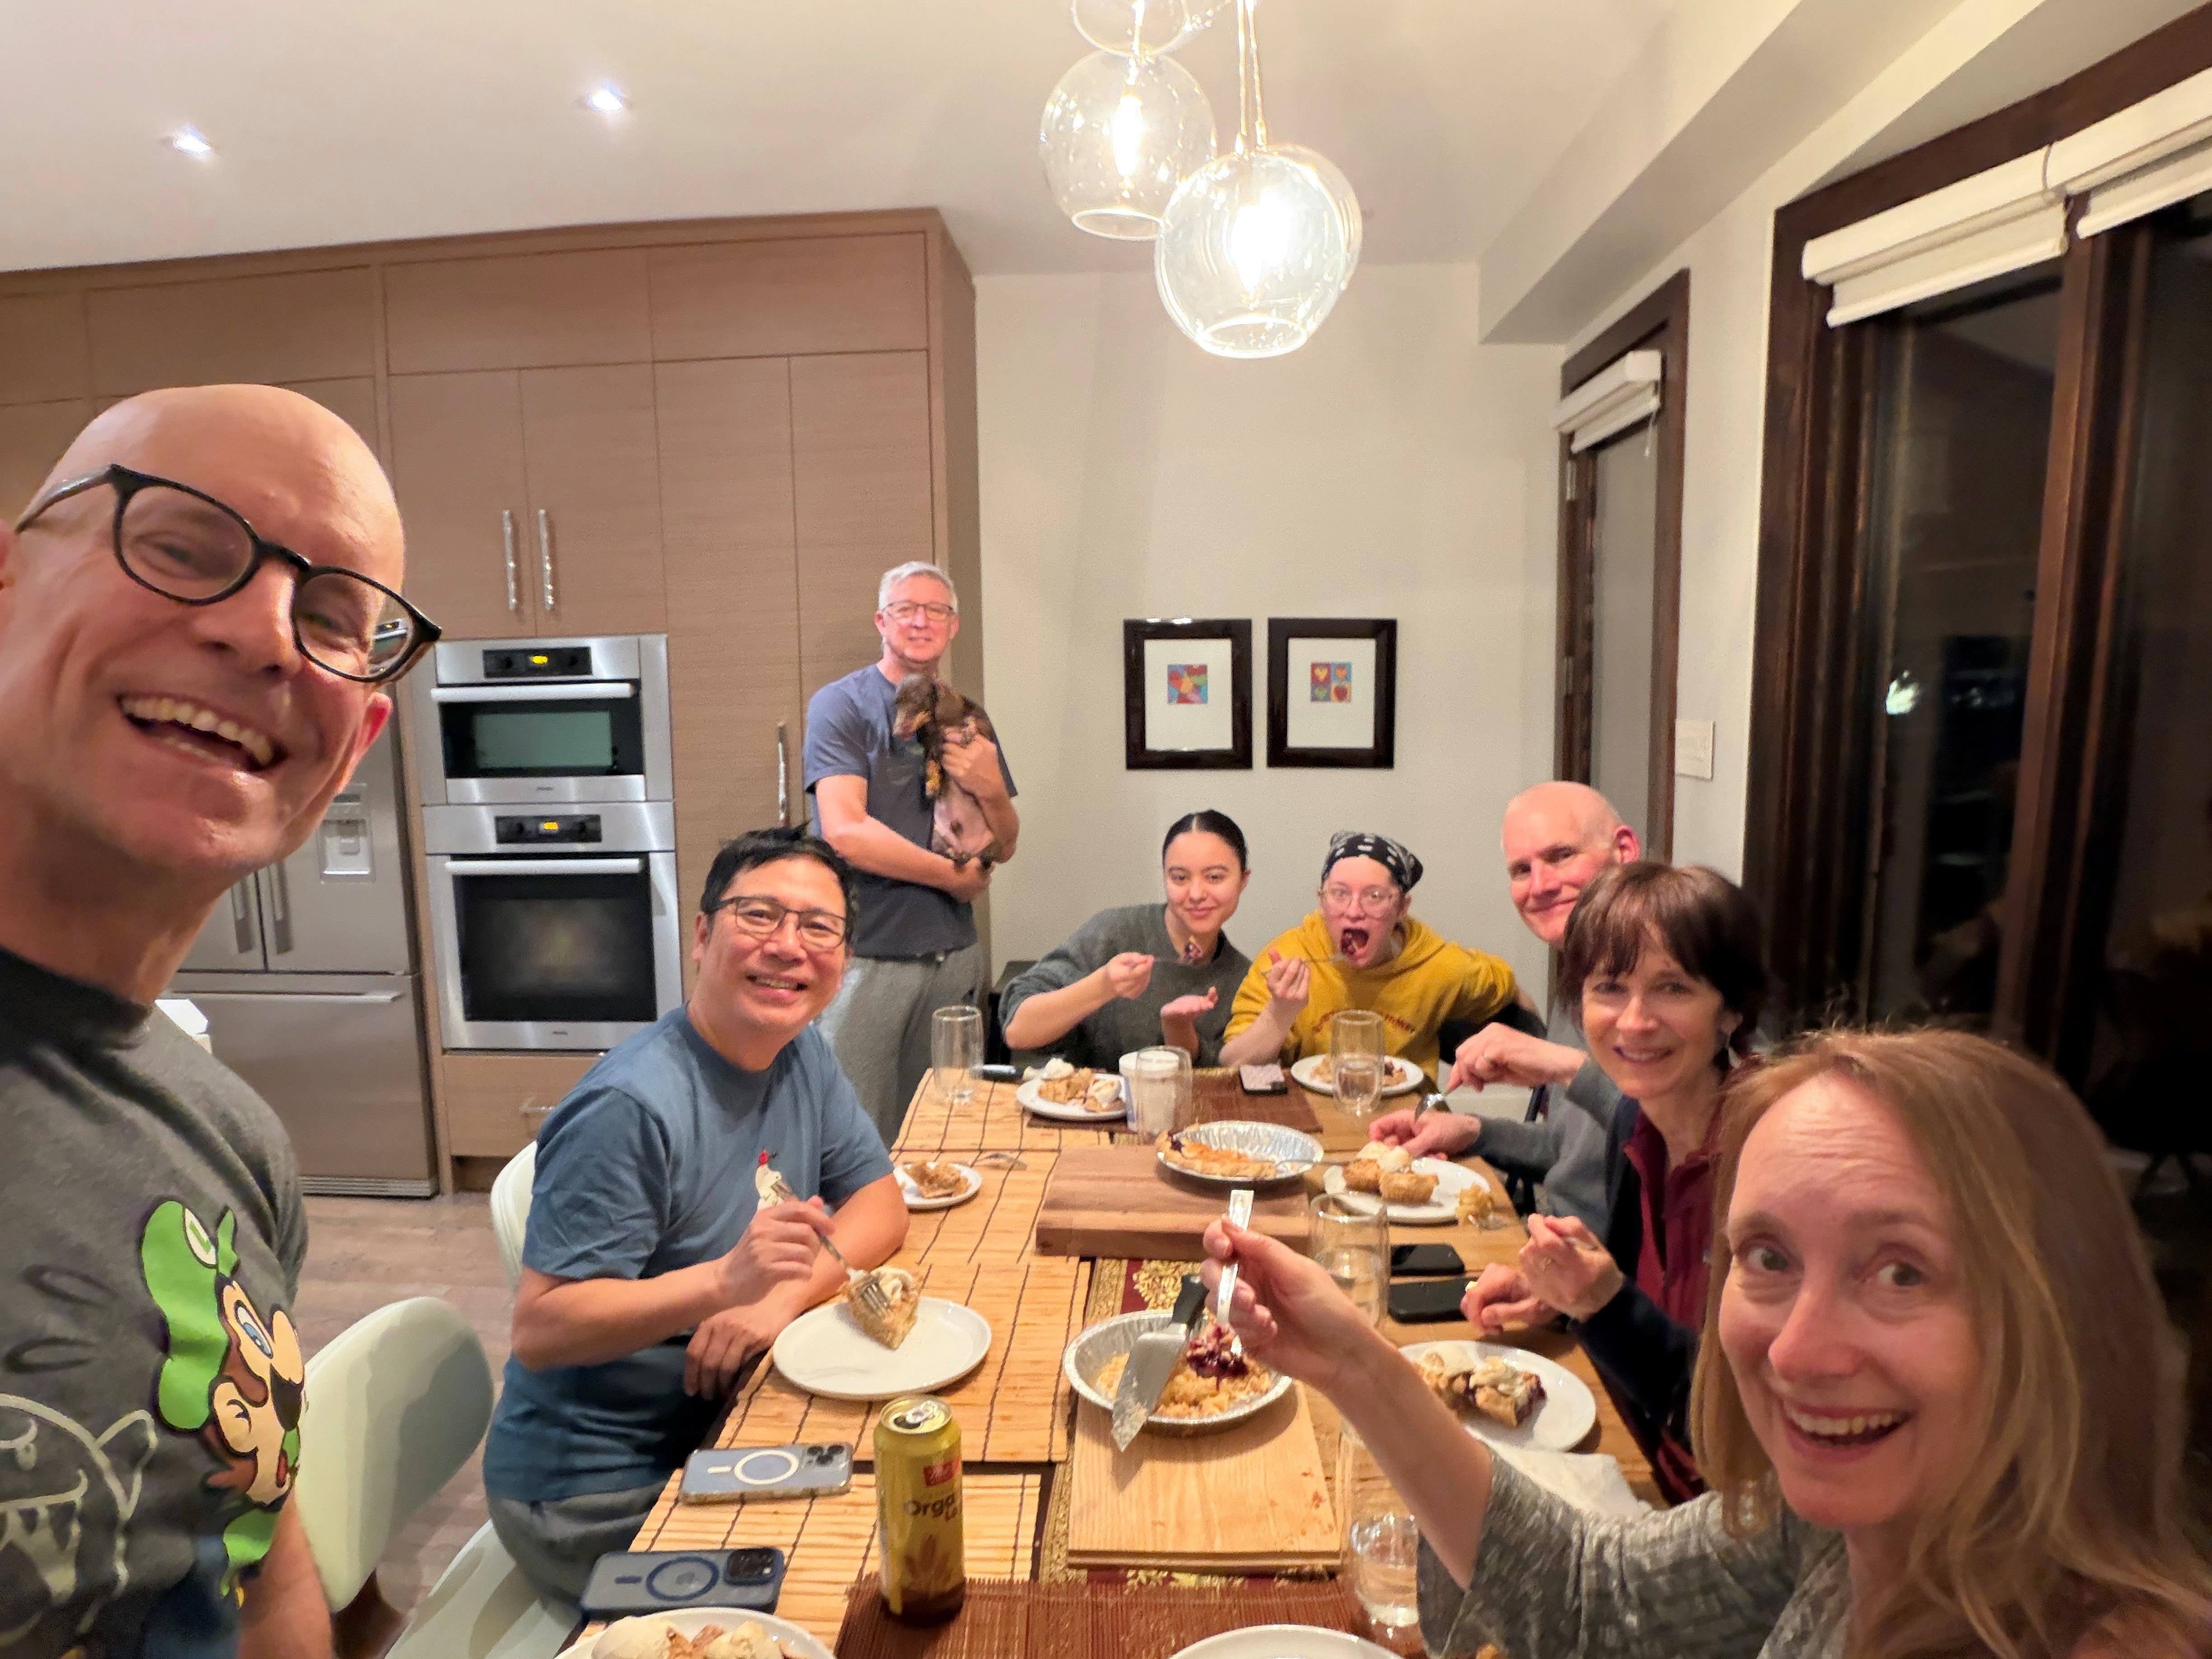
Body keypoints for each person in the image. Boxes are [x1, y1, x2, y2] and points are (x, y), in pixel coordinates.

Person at [1200, 1028, 2212, 1658]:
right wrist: (1355, 1364)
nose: (1799, 1352)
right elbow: (1589, 1599)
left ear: (2060, 1307)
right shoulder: (1843, 1520)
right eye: (1768, 1257)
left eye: (1900, 1272)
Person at [0, 386, 441, 1656]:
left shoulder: (227, 1136)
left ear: (354, 743)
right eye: (183, 547)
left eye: (334, 616)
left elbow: (250, 1553)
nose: (263, 636)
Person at [483, 827, 909, 1602]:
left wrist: (776, 1300)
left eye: (819, 927)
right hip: (596, 1490)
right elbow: (542, 1328)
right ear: (703, 935)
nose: (788, 946)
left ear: (844, 962)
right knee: (851, 1590)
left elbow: (880, 1202)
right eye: (760, 915)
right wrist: (721, 1283)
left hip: (719, 1428)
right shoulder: (631, 1105)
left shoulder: (802, 1052)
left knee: (911, 1507)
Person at [1461, 861, 1766, 1503]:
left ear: (1732, 1010)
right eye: (1609, 988)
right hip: (1636, 1455)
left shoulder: (1767, 1163)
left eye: (1672, 988)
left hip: (1724, 1513)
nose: (1633, 1021)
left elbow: (1750, 1439)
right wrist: (1563, 1295)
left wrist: (1604, 1308)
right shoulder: (1638, 1123)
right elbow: (1641, 1304)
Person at [806, 562, 1019, 1140]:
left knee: (946, 1132)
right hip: (868, 957)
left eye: (936, 611)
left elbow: (1005, 843)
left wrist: (992, 788)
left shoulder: (968, 715)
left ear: (953, 627)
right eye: (906, 609)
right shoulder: (842, 706)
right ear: (882, 621)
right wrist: (950, 877)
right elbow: (844, 832)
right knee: (855, 1134)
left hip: (955, 959)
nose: (921, 621)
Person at [1369, 782, 1639, 1231]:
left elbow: (1685, 1145)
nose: (1541, 886)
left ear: (1624, 850)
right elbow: (1567, 1151)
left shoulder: (1676, 974)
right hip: (1556, 1239)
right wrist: (1472, 1131)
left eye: (1562, 856)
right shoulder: (1579, 973)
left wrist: (1564, 1066)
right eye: (1521, 870)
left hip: (1620, 1265)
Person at [1218, 831, 1518, 1077]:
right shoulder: (1288, 957)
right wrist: (1280, 1012)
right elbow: (1233, 1064)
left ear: (1402, 908)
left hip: (1410, 1118)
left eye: (1374, 896)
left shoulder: (1439, 965)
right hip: (1311, 1115)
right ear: (1321, 901)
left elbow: (1508, 987)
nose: (1354, 911)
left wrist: (1539, 1068)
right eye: (1340, 894)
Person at [1000, 810, 1254, 1067]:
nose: (1196, 894)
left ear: (1243, 880)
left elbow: (1224, 1077)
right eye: (1180, 878)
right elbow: (1017, 1029)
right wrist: (1104, 986)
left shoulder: (1244, 978)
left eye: (1214, 877)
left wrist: (1179, 1029)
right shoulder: (1115, 933)